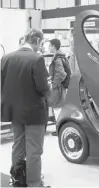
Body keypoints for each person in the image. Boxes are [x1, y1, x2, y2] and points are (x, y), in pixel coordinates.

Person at [1, 29, 50, 187]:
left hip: (14, 112)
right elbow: (43, 88)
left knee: (18, 146)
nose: (40, 47)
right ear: (36, 40)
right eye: (40, 43)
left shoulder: (6, 58)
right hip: (34, 112)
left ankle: (17, 180)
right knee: (34, 150)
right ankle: (34, 184)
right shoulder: (37, 58)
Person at [47, 39, 68, 122]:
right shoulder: (60, 57)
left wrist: (54, 83)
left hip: (58, 87)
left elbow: (61, 73)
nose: (48, 47)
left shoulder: (57, 59)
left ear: (54, 46)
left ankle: (59, 127)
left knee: (58, 108)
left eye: (50, 46)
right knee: (59, 108)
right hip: (60, 87)